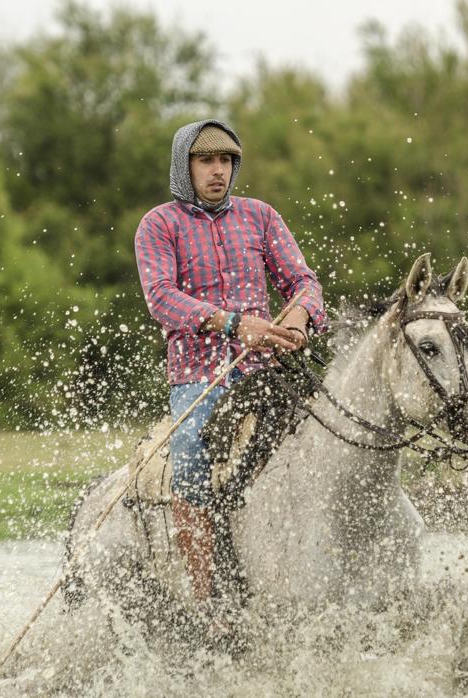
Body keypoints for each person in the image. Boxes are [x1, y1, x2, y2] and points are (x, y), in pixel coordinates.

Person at [134, 119, 327, 605]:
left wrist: (299, 318)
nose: (218, 170)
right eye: (206, 161)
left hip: (266, 371)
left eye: (225, 160)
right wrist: (232, 324)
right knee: (191, 456)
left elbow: (303, 282)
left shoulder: (261, 216)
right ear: (184, 167)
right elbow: (161, 297)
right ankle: (205, 599)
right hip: (200, 375)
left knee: (332, 432)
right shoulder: (159, 224)